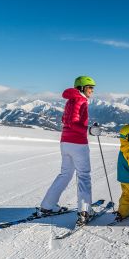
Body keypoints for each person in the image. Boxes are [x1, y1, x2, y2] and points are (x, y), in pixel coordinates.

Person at [40, 76, 96, 225]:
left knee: (65, 174)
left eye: (93, 87)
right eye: (90, 87)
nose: (92, 90)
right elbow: (73, 122)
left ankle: (47, 206)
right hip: (78, 143)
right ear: (82, 88)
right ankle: (84, 211)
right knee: (84, 175)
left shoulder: (71, 100)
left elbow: (65, 120)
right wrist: (89, 129)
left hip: (65, 142)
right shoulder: (80, 100)